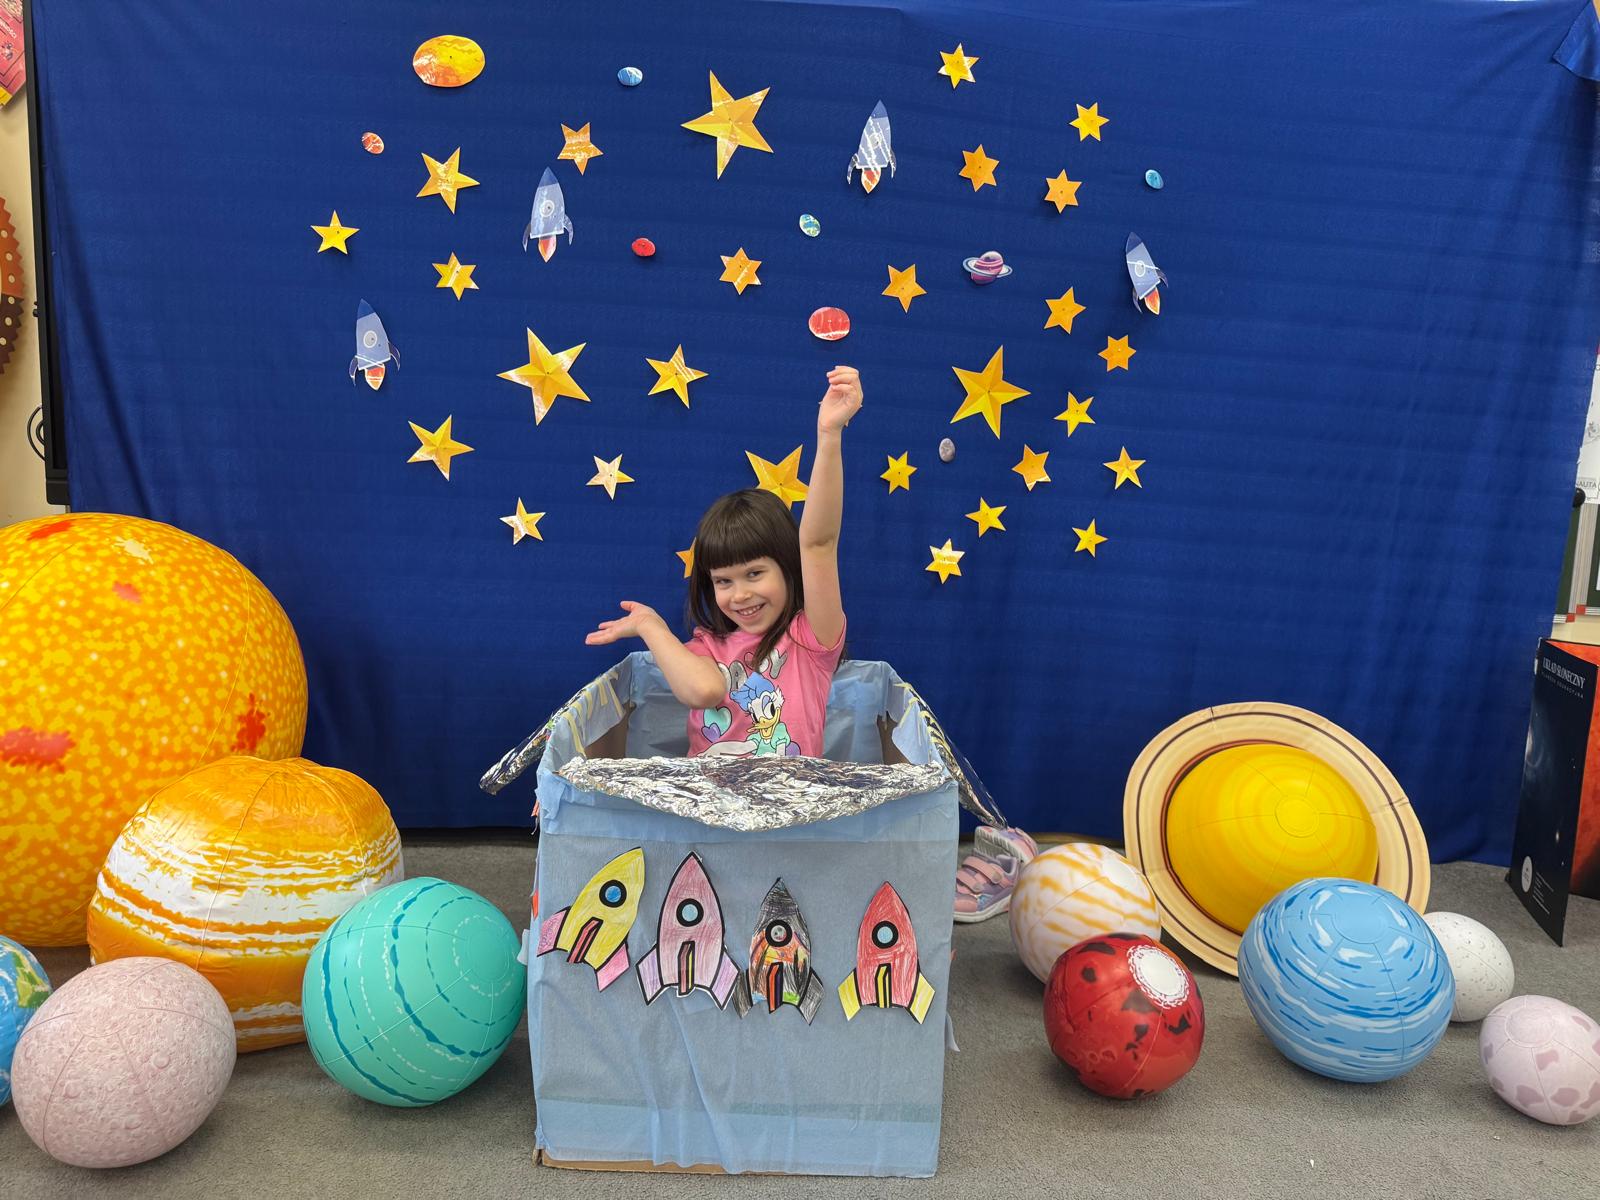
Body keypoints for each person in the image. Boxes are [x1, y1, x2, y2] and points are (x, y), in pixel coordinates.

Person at [586, 366, 861, 758]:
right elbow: (704, 690)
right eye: (723, 581)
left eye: (754, 573)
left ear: (788, 568)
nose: (740, 594)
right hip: (706, 798)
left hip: (788, 798)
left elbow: (819, 543)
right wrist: (650, 626)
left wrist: (829, 434)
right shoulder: (706, 645)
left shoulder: (810, 638)